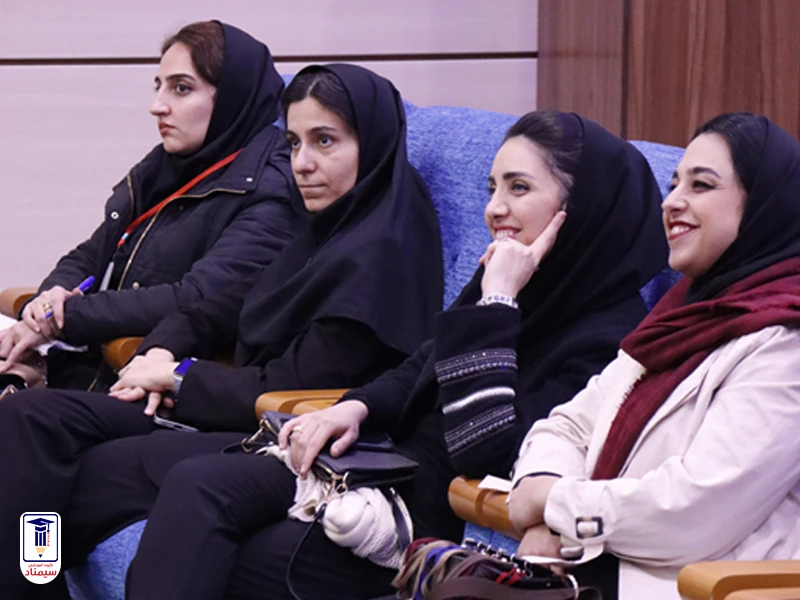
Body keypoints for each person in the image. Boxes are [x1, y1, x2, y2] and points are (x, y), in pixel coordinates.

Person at [117, 110, 670, 600]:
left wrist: (498, 303)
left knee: (233, 559)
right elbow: (424, 362)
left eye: (518, 188)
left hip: (423, 518)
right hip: (372, 468)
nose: (494, 209)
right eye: (491, 187)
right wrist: (354, 407)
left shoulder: (606, 339)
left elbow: (485, 451)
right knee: (197, 485)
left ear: (581, 208)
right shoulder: (517, 277)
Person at [0, 64, 443, 599]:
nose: (302, 164)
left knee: (75, 477)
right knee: (29, 417)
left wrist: (179, 378)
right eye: (294, 143)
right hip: (215, 405)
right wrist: (158, 353)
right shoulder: (323, 228)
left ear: (371, 143)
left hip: (277, 429)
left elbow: (296, 383)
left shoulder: (385, 252)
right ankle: (29, 584)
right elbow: (219, 306)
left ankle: (30, 579)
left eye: (324, 141)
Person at [507, 113, 800, 600]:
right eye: (673, 184)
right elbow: (564, 427)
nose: (672, 202)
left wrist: (554, 505)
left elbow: (693, 513)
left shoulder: (786, 343)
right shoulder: (679, 319)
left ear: (763, 206)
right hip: (608, 571)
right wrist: (545, 500)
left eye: (700, 185)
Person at [0, 20, 301, 391]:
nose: (157, 107)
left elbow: (195, 298)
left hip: (148, 386)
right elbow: (91, 254)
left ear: (232, 97)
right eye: (160, 87)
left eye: (181, 88)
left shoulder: (274, 190)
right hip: (82, 366)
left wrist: (63, 318)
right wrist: (50, 300)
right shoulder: (166, 167)